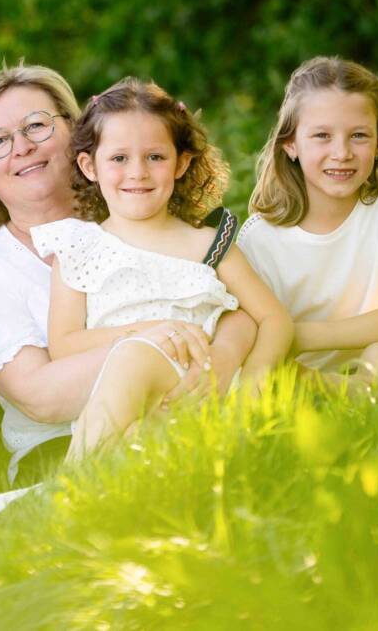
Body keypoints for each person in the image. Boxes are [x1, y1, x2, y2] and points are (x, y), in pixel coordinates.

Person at [0, 66, 258, 483]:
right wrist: (160, 339)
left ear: (77, 138)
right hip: (61, 450)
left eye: (35, 126)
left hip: (185, 411)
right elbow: (42, 397)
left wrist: (224, 352)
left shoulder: (139, 201)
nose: (21, 147)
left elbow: (226, 296)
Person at [31, 78, 293, 459]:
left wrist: (246, 381)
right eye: (119, 159)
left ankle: (67, 490)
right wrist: (149, 333)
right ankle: (72, 494)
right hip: (123, 404)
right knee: (133, 420)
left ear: (181, 163)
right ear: (89, 166)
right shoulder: (77, 247)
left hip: (208, 391)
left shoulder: (208, 244)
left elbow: (273, 319)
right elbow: (64, 344)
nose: (137, 172)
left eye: (155, 157)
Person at [237, 56, 378, 390]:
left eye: (359, 136)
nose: (342, 152)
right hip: (299, 374)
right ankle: (340, 397)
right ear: (290, 144)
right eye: (322, 135)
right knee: (269, 375)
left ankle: (348, 394)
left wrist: (296, 334)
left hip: (375, 366)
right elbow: (250, 338)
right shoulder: (260, 237)